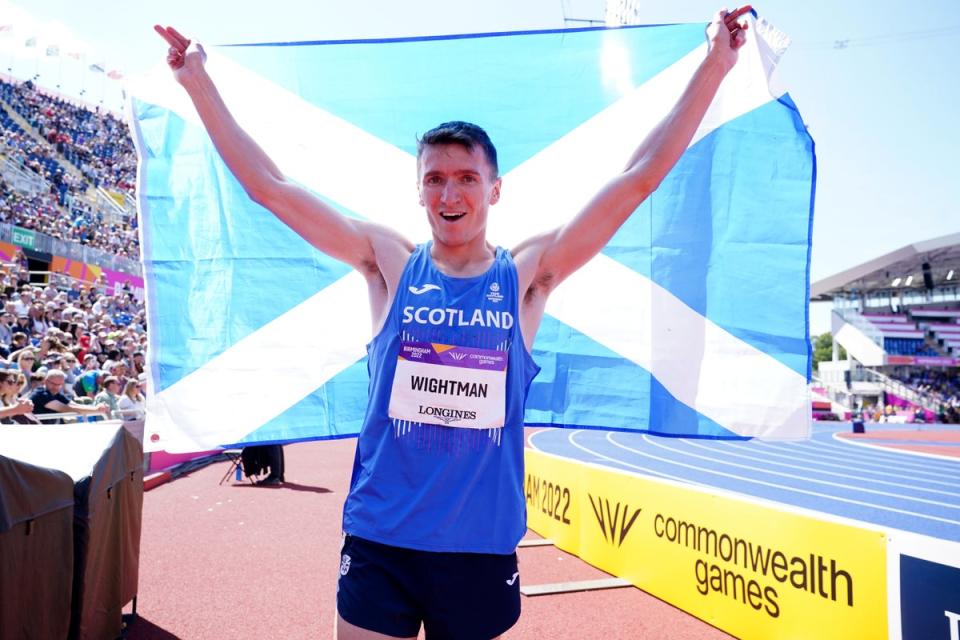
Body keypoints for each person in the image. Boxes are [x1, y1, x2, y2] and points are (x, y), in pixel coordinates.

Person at [157, 8, 751, 639]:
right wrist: (196, 81)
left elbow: (638, 181)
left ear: (495, 189)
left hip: (478, 548)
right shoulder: (387, 263)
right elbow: (270, 187)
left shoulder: (526, 275)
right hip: (381, 538)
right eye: (435, 179)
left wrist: (716, 64)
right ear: (418, 191)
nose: (450, 195)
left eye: (467, 178)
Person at [29, 369, 111, 423]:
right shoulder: (40, 394)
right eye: (54, 384)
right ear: (46, 381)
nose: (56, 388)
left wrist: (97, 408)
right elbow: (65, 408)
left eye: (59, 385)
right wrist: (96, 409)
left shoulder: (56, 394)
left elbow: (73, 405)